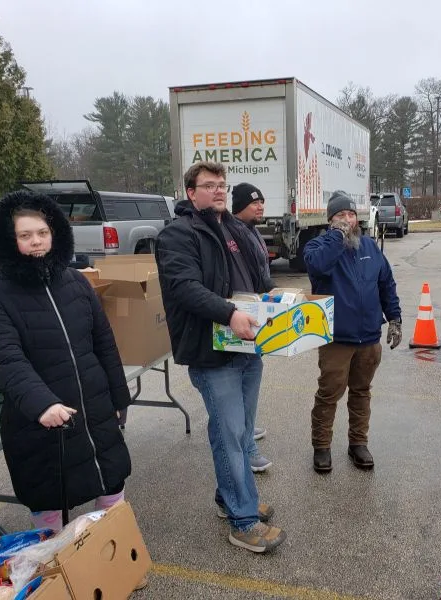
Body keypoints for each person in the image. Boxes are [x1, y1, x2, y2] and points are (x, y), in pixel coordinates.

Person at [0, 192, 135, 532]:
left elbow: (104, 343)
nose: (36, 242)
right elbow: (5, 356)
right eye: (25, 235)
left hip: (94, 409)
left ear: (54, 233)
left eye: (42, 233)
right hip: (41, 421)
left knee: (111, 481)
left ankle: (116, 560)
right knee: (50, 502)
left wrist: (120, 397)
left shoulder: (76, 282)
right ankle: (59, 574)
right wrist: (42, 404)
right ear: (8, 239)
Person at [155, 161, 285, 553]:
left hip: (248, 345)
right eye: (208, 185)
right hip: (213, 353)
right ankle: (242, 521)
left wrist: (276, 301)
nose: (218, 191)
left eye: (222, 185)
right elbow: (184, 288)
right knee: (229, 433)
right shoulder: (178, 234)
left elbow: (257, 278)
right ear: (190, 193)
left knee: (241, 432)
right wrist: (230, 314)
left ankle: (229, 496)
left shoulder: (234, 229)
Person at [303, 190, 402, 473]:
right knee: (329, 393)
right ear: (330, 220)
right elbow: (318, 266)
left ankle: (358, 442)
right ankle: (321, 446)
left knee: (361, 392)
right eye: (340, 216)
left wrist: (394, 318)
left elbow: (386, 284)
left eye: (351, 215)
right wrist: (336, 236)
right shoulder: (318, 246)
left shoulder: (370, 247)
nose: (348, 220)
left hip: (369, 337)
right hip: (336, 338)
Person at [230, 182, 275, 473]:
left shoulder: (252, 230)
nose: (260, 207)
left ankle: (247, 429)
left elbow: (261, 272)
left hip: (256, 306)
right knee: (244, 382)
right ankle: (247, 448)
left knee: (251, 378)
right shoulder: (234, 231)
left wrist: (273, 293)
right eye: (253, 202)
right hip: (241, 313)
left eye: (261, 202)